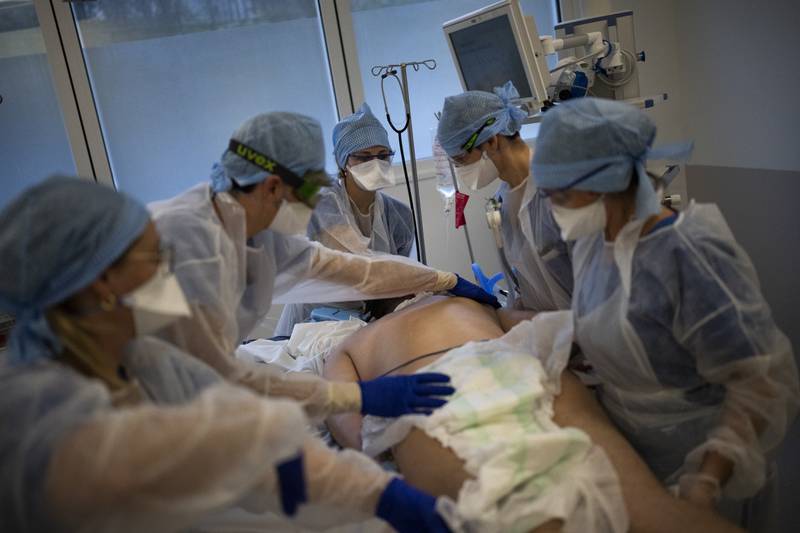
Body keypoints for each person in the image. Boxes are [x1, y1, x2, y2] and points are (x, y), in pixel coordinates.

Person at [0, 176, 453, 533]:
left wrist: (374, 491)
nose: (170, 268)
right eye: (154, 257)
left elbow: (233, 411)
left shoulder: (145, 358)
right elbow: (206, 441)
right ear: (100, 282)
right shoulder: (31, 409)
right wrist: (341, 409)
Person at [531, 98, 799, 519]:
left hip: (702, 459)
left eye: (559, 194)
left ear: (605, 182)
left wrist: (705, 482)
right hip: (633, 448)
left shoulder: (690, 256)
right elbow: (613, 324)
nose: (552, 206)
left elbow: (759, 383)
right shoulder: (591, 243)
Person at [149, 111, 495, 410]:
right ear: (271, 187)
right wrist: (353, 399)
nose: (315, 202)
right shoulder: (186, 240)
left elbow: (359, 271)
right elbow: (212, 374)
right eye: (307, 192)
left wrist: (442, 280)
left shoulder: (266, 238)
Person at [323, 293, 743, 533]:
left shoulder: (359, 339)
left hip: (428, 392)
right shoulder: (465, 303)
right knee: (655, 513)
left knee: (522, 518)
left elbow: (341, 407)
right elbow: (542, 325)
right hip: (514, 365)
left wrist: (378, 449)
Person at [437, 82, 573, 328]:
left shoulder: (562, 187)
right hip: (551, 335)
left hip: (595, 340)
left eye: (460, 159)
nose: (460, 170)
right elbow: (531, 285)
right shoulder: (503, 201)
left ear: (491, 141)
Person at [275, 103, 415, 336]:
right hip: (313, 322)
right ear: (343, 163)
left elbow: (394, 278)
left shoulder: (398, 215)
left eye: (383, 155)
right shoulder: (322, 204)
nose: (376, 163)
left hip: (366, 322)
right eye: (363, 157)